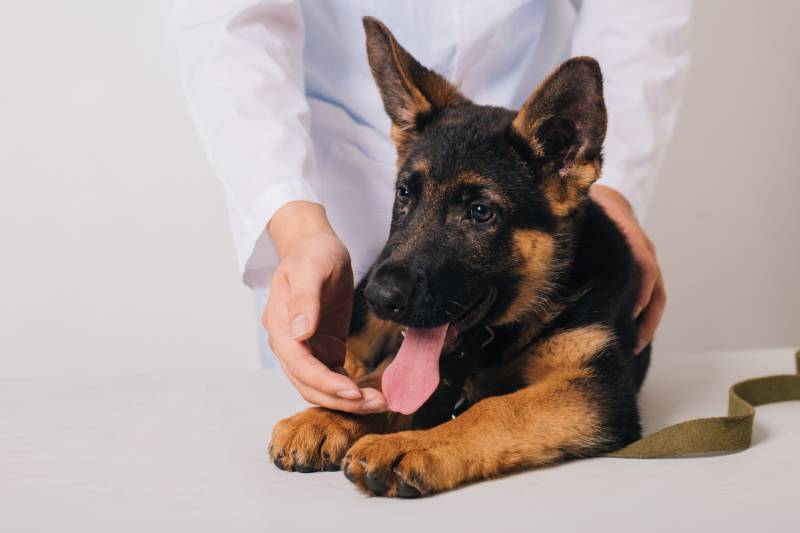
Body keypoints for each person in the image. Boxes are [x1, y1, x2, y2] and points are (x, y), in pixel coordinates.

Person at [167, 0, 691, 415]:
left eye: (478, 213)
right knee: (338, 376)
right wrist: (295, 226)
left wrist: (614, 192)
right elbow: (226, 26)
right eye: (406, 194)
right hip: (339, 159)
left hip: (538, 149)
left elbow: (639, 15)